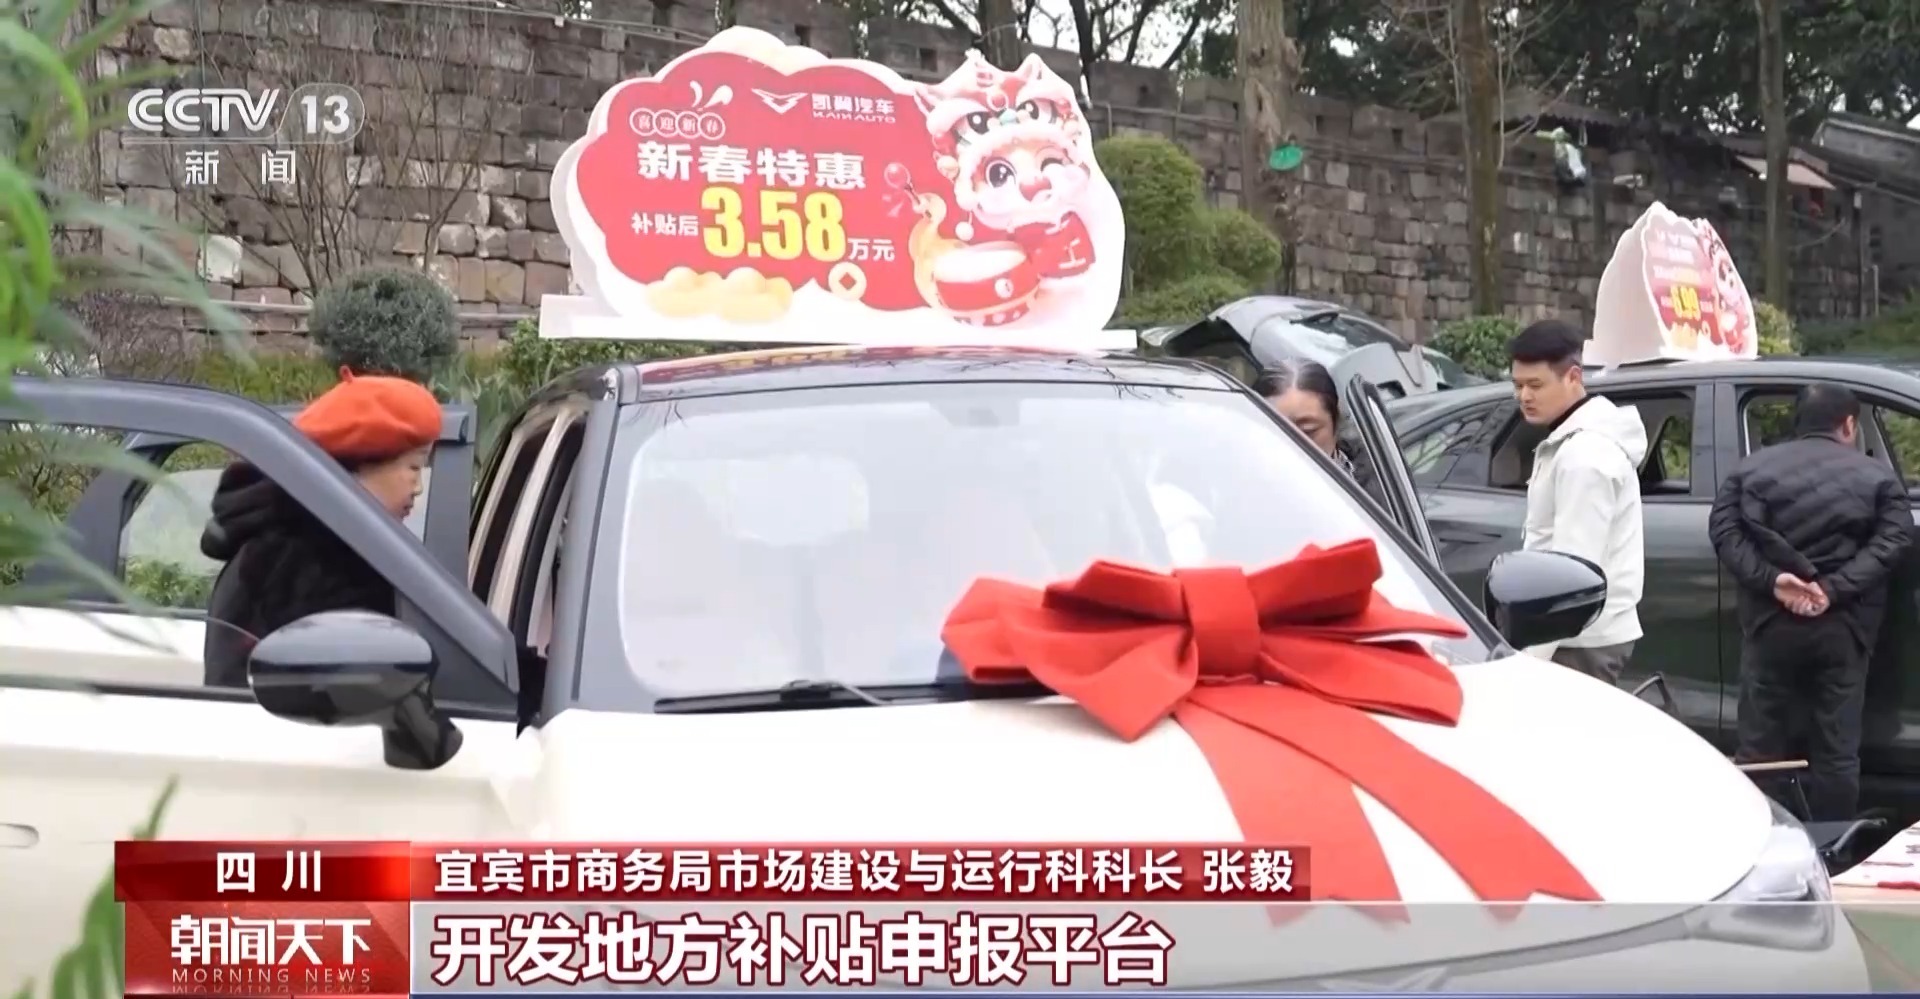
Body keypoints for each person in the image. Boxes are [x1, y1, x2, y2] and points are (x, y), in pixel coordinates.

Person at [1710, 383, 1910, 821]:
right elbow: (1895, 539)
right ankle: (1833, 843)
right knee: (1837, 749)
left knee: (1759, 745)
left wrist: (1773, 581)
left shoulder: (1748, 471)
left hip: (1769, 623)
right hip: (1844, 627)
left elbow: (1724, 532)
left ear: (1798, 422)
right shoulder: (1878, 478)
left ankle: (1760, 835)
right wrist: (1832, 590)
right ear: (1849, 425)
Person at [199, 369, 439, 688]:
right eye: (413, 467)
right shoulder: (304, 560)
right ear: (360, 464)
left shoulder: (314, 544)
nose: (418, 487)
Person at [1507, 320, 1648, 683]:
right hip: (1578, 634)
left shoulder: (1584, 456)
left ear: (1573, 377)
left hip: (1578, 639)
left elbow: (1572, 575)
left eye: (1535, 385)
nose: (1524, 396)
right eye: (1518, 385)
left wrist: (1532, 657)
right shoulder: (1570, 442)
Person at [1253, 359, 1382, 505]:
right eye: (1274, 432)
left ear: (1336, 420)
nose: (1290, 447)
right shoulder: (1244, 488)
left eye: (1307, 432)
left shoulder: (1380, 488)